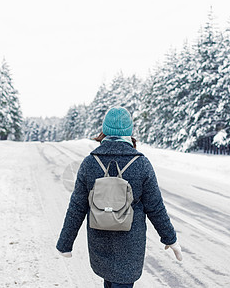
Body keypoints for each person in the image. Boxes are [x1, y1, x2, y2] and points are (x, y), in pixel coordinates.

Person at [56, 106, 182, 288]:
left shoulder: (89, 163)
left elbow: (77, 207)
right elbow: (155, 207)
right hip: (130, 245)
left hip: (100, 242)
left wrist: (65, 244)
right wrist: (170, 239)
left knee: (109, 281)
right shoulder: (142, 164)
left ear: (104, 130)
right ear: (128, 132)